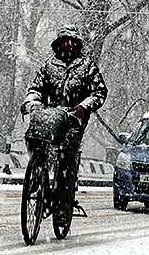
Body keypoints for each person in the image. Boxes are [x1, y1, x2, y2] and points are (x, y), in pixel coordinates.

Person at [20, 25, 108, 222]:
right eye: (64, 41)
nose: (68, 45)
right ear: (58, 45)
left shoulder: (87, 66)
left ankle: (62, 205)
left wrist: (82, 108)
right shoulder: (47, 66)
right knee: (33, 136)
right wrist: (32, 103)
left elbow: (99, 92)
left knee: (66, 157)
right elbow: (35, 89)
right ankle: (37, 173)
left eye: (71, 42)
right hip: (49, 115)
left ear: (77, 45)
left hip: (73, 121)